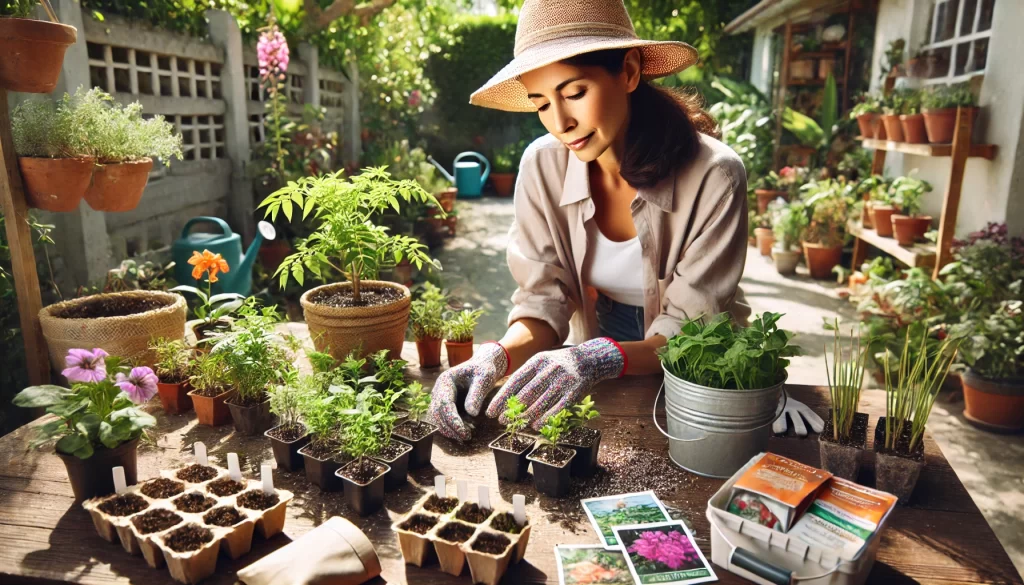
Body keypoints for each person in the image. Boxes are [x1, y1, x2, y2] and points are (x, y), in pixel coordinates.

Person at [428, 0, 823, 441]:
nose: (560, 123)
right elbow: (543, 302)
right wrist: (495, 356)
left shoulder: (715, 176)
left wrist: (596, 358)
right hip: (606, 330)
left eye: (575, 93)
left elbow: (688, 329)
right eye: (541, 104)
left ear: (630, 71)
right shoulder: (542, 166)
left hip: (702, 351)